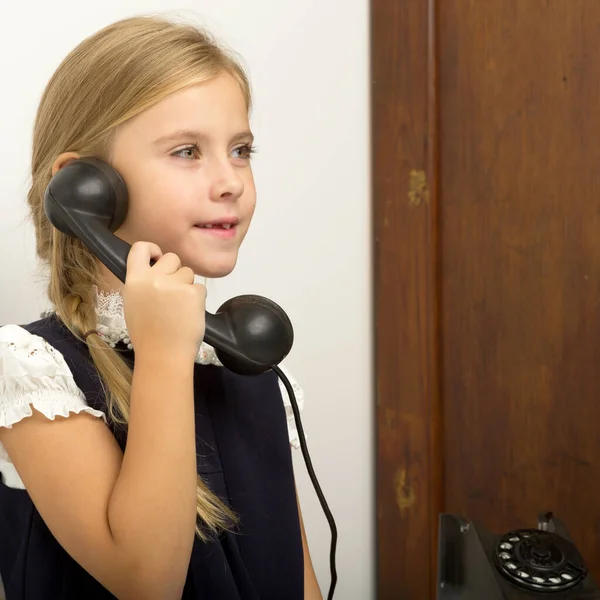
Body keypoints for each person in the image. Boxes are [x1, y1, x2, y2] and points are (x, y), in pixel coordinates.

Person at [0, 14, 322, 600]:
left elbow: (298, 584)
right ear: (83, 189)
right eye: (186, 151)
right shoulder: (31, 372)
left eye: (241, 149)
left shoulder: (246, 364)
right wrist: (164, 354)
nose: (229, 181)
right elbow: (148, 582)